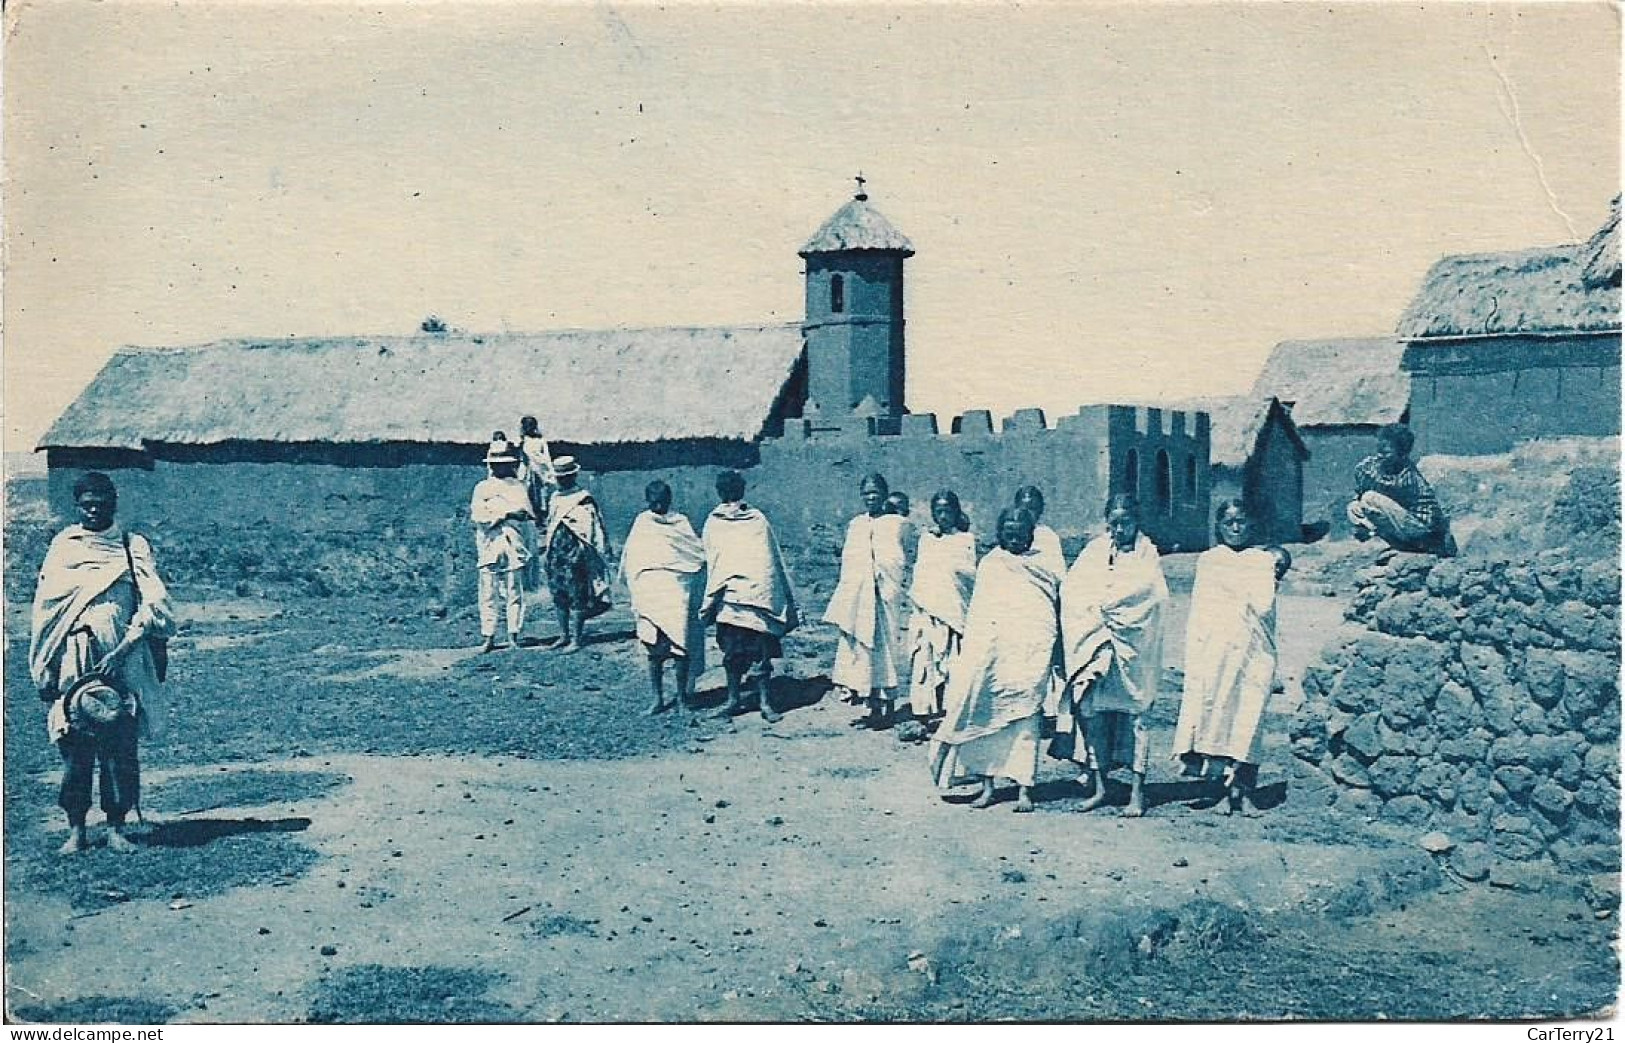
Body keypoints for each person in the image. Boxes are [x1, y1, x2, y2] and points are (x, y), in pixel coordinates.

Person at [29, 472, 175, 855]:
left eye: (102, 501)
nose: (94, 509)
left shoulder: (132, 546)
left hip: (123, 660)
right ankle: (76, 829)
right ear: (77, 506)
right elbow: (46, 612)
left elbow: (155, 605)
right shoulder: (64, 547)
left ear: (114, 502)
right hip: (73, 661)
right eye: (87, 503)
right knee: (75, 746)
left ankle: (116, 827)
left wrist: (124, 649)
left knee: (120, 747)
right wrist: (46, 665)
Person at [929, 506, 1062, 813]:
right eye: (1008, 533)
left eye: (1020, 533)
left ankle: (1025, 789)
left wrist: (1044, 646)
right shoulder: (990, 564)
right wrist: (977, 656)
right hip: (992, 656)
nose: (1014, 538)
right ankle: (988, 786)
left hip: (1030, 654)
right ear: (1000, 534)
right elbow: (980, 614)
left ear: (1031, 535)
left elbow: (1047, 610)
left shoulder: (1043, 565)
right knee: (987, 717)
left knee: (1026, 720)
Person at [1171, 499, 1291, 814]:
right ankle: (1222, 791)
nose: (1235, 528)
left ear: (1251, 523)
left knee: (1249, 716)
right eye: (1229, 522)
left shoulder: (1262, 559)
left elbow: (1265, 607)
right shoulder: (1210, 561)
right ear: (1219, 526)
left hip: (1254, 651)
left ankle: (1245, 790)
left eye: (1241, 521)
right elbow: (1200, 612)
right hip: (1216, 651)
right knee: (1219, 715)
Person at [1056, 494, 1168, 817]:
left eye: (1126, 522)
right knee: (1091, 711)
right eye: (1114, 523)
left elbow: (1154, 596)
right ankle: (1100, 786)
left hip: (1132, 650)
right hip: (1096, 643)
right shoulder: (1094, 551)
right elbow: (1073, 589)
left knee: (1135, 717)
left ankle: (1137, 793)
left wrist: (1115, 608)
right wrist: (1095, 614)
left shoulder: (1148, 555)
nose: (1120, 529)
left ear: (1137, 520)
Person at [700, 470, 799, 723]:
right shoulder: (714, 521)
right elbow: (713, 557)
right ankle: (734, 700)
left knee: (760, 653)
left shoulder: (756, 520)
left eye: (734, 490)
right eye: (727, 491)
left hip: (755, 597)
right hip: (729, 599)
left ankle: (765, 702)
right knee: (732, 653)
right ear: (721, 493)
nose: (731, 496)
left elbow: (768, 559)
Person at [824, 474, 911, 729]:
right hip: (859, 599)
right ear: (862, 495)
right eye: (867, 493)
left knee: (886, 651)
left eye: (876, 492)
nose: (871, 497)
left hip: (885, 596)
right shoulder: (856, 525)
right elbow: (850, 563)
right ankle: (872, 708)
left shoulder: (896, 523)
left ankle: (890, 708)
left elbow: (899, 558)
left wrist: (884, 577)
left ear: (884, 494)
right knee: (863, 652)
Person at [620, 481, 707, 716]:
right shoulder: (643, 523)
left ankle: (682, 699)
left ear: (669, 500)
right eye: (653, 501)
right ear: (648, 501)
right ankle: (657, 699)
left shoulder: (681, 523)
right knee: (654, 650)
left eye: (662, 501)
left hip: (677, 591)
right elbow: (633, 557)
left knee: (680, 647)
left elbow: (696, 554)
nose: (658, 505)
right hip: (649, 593)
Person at [903, 490, 976, 730]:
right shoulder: (927, 540)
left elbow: (967, 576)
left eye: (947, 511)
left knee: (951, 661)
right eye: (938, 511)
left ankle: (950, 712)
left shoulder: (965, 540)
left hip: (953, 613)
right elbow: (922, 572)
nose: (943, 516)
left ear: (956, 512)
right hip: (927, 612)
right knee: (925, 661)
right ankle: (924, 712)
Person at [1347, 423, 1455, 556]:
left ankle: (1411, 545)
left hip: (1419, 528)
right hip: (1397, 523)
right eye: (1379, 451)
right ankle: (1387, 540)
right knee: (1354, 506)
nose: (1380, 456)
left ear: (1402, 454)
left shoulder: (1409, 476)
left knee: (1369, 498)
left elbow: (1432, 519)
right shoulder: (1368, 467)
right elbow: (1359, 491)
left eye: (1386, 453)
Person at [470, 440, 536, 652]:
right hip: (489, 544)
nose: (500, 467)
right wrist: (505, 513)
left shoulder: (518, 487)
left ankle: (513, 634)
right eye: (496, 463)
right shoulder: (482, 488)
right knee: (488, 591)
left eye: (505, 463)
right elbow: (479, 516)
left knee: (513, 590)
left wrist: (501, 512)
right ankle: (488, 636)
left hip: (512, 542)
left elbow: (525, 514)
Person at [543, 456, 612, 651]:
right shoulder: (555, 498)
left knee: (577, 595)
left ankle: (576, 638)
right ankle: (563, 635)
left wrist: (587, 551)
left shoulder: (583, 499)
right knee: (558, 594)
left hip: (576, 553)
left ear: (573, 476)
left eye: (566, 477)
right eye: (560, 477)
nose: (562, 480)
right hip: (557, 553)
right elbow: (551, 523)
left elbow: (592, 527)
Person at [1014, 485, 1066, 575]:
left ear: (1040, 510)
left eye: (1032, 509)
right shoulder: (1008, 534)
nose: (1027, 514)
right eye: (1023, 509)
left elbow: (1057, 573)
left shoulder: (1048, 537)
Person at [517, 415, 555, 525]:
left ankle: (541, 519)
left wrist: (548, 470)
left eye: (530, 426)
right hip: (526, 472)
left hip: (540, 471)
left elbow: (546, 457)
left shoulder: (541, 440)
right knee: (526, 494)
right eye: (526, 426)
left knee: (541, 495)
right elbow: (522, 459)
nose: (528, 428)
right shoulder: (523, 441)